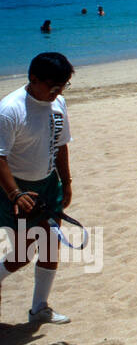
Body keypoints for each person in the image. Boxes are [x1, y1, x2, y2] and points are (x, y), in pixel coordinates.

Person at [0, 51, 75, 325]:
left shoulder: (58, 104)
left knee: (51, 245)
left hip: (48, 185)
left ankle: (39, 308)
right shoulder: (10, 110)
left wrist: (65, 182)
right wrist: (15, 194)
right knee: (24, 254)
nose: (58, 92)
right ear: (34, 79)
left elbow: (61, 143)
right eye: (53, 86)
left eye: (63, 86)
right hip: (17, 190)